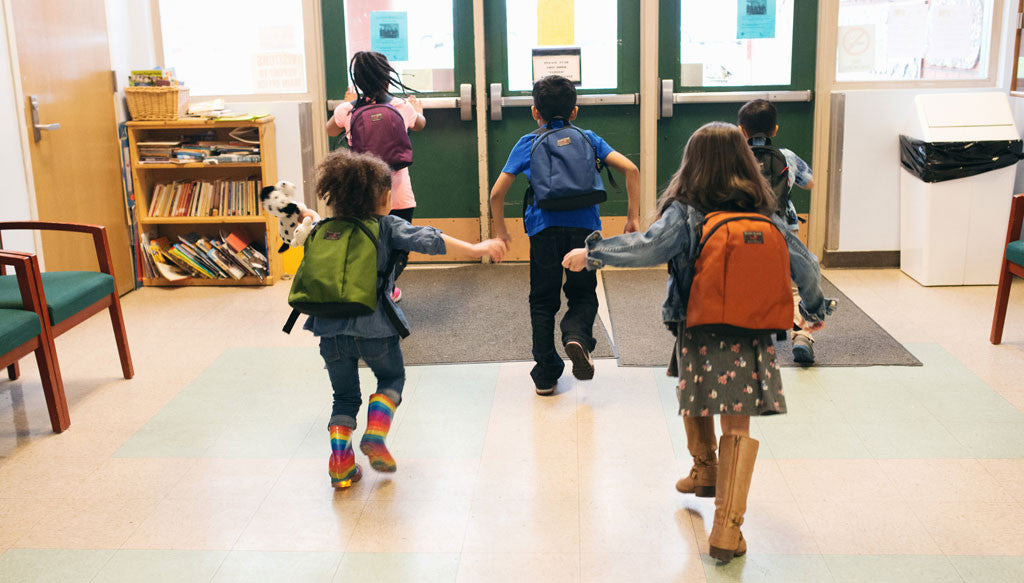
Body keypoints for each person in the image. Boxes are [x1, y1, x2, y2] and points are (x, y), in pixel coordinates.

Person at [563, 123, 830, 563]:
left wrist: (592, 255)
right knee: (737, 425)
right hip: (751, 331)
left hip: (701, 325)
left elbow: (647, 247)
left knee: (698, 393)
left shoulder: (687, 211)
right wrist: (815, 310)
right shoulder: (766, 212)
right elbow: (807, 267)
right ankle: (724, 515)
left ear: (693, 163)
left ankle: (710, 482)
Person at [304, 149, 506, 488]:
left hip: (329, 330)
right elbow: (430, 238)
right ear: (384, 197)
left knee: (344, 398)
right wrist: (476, 249)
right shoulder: (386, 226)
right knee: (391, 380)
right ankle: (376, 433)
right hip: (376, 327)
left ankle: (340, 464)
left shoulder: (323, 228)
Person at [489, 75, 641, 396]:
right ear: (575, 112)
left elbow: (497, 193)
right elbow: (631, 169)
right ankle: (577, 337)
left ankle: (546, 373)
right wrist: (633, 217)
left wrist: (500, 231)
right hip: (585, 230)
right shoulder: (589, 138)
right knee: (583, 294)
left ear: (535, 112)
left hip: (543, 230)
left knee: (543, 300)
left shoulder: (527, 143)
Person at [327, 50, 426, 303]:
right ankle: (387, 287)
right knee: (398, 245)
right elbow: (420, 124)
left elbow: (329, 130)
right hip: (398, 195)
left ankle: (367, 289)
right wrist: (417, 108)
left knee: (364, 244)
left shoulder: (347, 111)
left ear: (357, 82)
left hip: (359, 195)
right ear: (387, 80)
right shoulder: (401, 107)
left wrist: (347, 102)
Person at [737, 99, 818, 365]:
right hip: (783, 228)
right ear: (775, 129)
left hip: (741, 232)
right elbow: (810, 183)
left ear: (741, 130)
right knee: (792, 283)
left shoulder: (732, 156)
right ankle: (802, 335)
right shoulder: (788, 156)